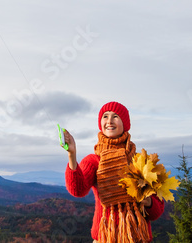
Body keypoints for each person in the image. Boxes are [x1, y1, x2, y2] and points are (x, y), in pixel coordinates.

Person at [64, 101, 165, 242]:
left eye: (115, 116)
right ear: (100, 123)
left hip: (138, 238)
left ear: (125, 124)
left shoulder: (140, 161)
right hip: (105, 238)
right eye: (105, 116)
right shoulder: (94, 160)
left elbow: (157, 211)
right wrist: (72, 155)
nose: (109, 121)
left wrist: (148, 202)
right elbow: (77, 189)